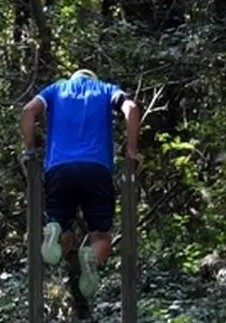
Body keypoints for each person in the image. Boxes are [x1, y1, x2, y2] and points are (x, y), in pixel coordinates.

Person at [21, 68, 141, 295]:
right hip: (96, 169)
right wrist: (132, 150)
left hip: (58, 168)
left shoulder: (55, 89)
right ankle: (91, 256)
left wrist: (29, 151)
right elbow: (131, 108)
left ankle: (57, 229)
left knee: (59, 225)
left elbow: (28, 111)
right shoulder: (106, 90)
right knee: (101, 235)